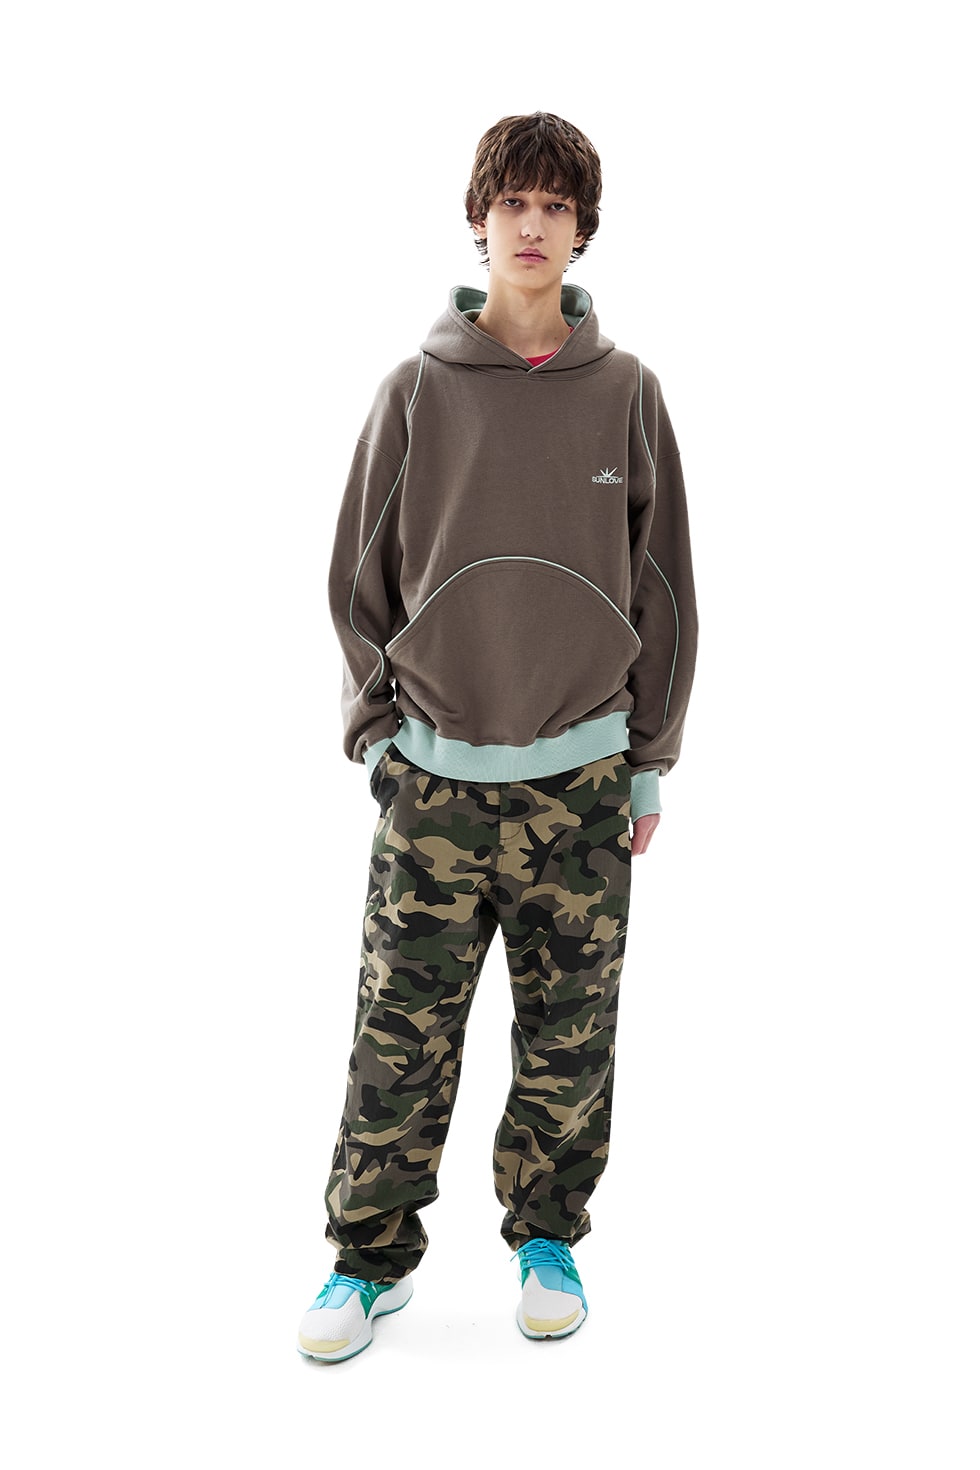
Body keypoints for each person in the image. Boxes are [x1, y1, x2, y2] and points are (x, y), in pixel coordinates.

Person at [297, 111, 697, 1363]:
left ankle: (547, 1241)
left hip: (581, 782)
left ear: (582, 228)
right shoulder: (415, 390)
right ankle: (366, 1263)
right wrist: (378, 740)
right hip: (434, 784)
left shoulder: (626, 394)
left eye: (554, 206)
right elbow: (356, 578)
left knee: (569, 1040)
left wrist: (646, 762)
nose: (531, 225)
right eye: (511, 203)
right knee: (396, 1042)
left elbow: (664, 590)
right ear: (479, 220)